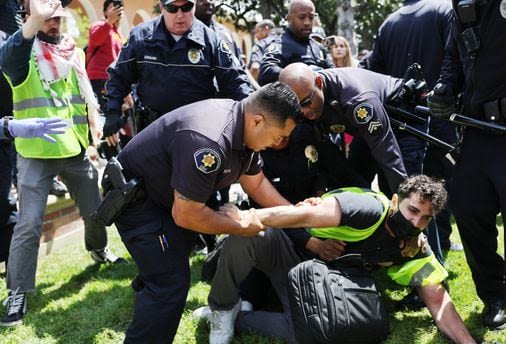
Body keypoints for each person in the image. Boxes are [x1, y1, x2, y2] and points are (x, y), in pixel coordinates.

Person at [111, 82, 301, 343]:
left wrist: (296, 216)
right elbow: (187, 215)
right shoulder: (209, 139)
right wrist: (241, 226)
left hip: (170, 198)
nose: (280, 142)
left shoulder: (245, 131)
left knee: (171, 257)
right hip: (140, 202)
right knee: (169, 284)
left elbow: (255, 183)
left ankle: (150, 274)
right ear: (258, 121)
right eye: (279, 135)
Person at [201, 175, 476, 344]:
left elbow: (438, 300)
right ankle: (221, 308)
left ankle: (240, 319)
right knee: (248, 233)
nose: (415, 221)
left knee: (310, 333)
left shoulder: (413, 246)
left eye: (425, 218)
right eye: (412, 210)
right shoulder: (369, 208)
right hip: (289, 254)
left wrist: (467, 342)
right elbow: (301, 216)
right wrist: (249, 218)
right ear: (395, 201)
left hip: (316, 286)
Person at [0, 0, 125, 327]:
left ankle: (97, 249)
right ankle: (18, 291)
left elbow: (80, 101)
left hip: (74, 151)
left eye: (57, 16)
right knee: (28, 224)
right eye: (46, 17)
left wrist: (92, 136)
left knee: (95, 210)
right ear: (30, 18)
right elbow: (7, 59)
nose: (53, 22)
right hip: (35, 154)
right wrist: (31, 24)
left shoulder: (75, 53)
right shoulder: (21, 52)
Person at [364, 0, 457, 309]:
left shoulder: (388, 22)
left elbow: (374, 75)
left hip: (396, 130)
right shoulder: (444, 9)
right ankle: (430, 281)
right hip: (435, 126)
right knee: (429, 205)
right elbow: (457, 61)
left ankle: (433, 272)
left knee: (418, 206)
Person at [427, 0, 506, 330]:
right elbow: (453, 57)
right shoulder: (460, 5)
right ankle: (495, 296)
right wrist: (446, 87)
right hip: (474, 129)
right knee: (470, 212)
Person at [103, 0, 252, 144]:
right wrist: (112, 112)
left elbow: (236, 82)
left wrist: (250, 117)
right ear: (161, 7)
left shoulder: (211, 40)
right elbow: (120, 76)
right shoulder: (141, 36)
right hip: (151, 131)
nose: (180, 15)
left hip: (197, 131)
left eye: (186, 7)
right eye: (172, 8)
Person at [279, 62, 407, 194]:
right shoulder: (307, 94)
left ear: (319, 83)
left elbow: (386, 151)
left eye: (306, 103)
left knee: (397, 186)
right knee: (354, 187)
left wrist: (404, 201)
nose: (304, 111)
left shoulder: (358, 99)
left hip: (401, 118)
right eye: (297, 108)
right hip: (362, 128)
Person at [258, 0, 334, 85]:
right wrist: (301, 75)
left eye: (311, 17)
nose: (307, 22)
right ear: (289, 19)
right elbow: (266, 71)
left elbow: (334, 73)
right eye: (302, 17)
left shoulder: (318, 47)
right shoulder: (281, 45)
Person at [86, 0, 125, 112]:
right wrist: (109, 22)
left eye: (119, 7)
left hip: (113, 81)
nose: (117, 9)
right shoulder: (99, 25)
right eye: (113, 7)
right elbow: (95, 39)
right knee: (103, 117)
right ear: (105, 12)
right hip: (99, 79)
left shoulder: (118, 34)